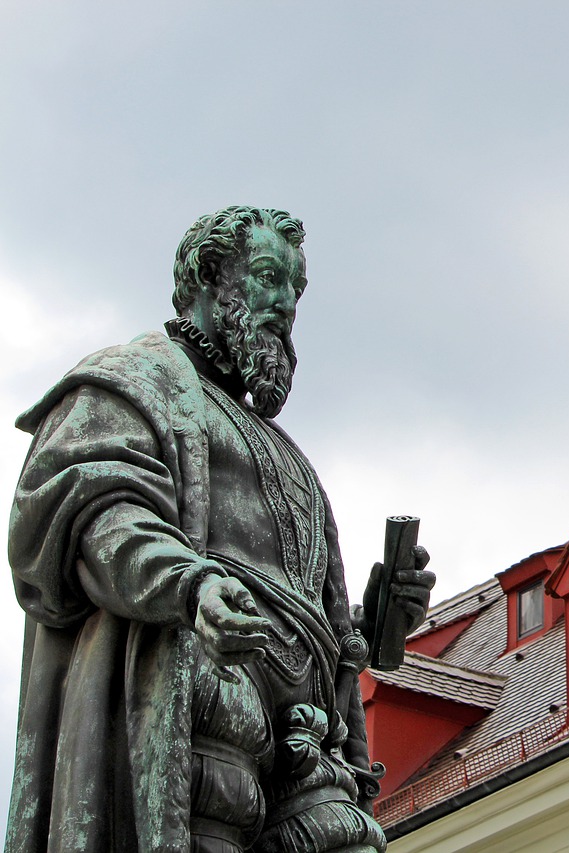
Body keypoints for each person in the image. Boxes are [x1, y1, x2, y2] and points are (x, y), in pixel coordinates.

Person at [6, 206, 433, 852]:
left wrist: (370, 629)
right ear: (209, 276)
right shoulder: (135, 383)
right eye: (268, 276)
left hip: (306, 774)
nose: (286, 303)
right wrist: (192, 587)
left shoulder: (294, 462)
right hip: (200, 737)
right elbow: (94, 516)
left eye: (296, 288)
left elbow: (316, 634)